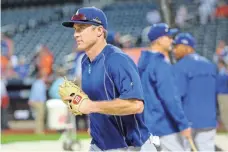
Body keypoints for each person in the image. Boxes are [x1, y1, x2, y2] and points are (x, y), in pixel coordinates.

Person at [62, 6, 157, 151]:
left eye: (81, 28)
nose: (76, 34)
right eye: (75, 29)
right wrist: (94, 124)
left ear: (99, 31)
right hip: (99, 144)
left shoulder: (117, 60)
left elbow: (135, 105)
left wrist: (90, 107)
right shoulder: (85, 61)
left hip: (130, 146)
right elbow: (98, 97)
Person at [138, 23, 191, 151]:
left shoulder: (142, 62)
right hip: (166, 126)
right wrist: (183, 124)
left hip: (147, 126)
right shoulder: (161, 64)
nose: (172, 40)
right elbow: (170, 98)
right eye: (168, 37)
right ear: (159, 40)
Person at [173, 33, 217, 151]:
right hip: (209, 119)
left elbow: (177, 95)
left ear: (187, 47)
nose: (174, 50)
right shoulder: (210, 64)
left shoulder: (180, 66)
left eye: (177, 46)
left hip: (187, 120)